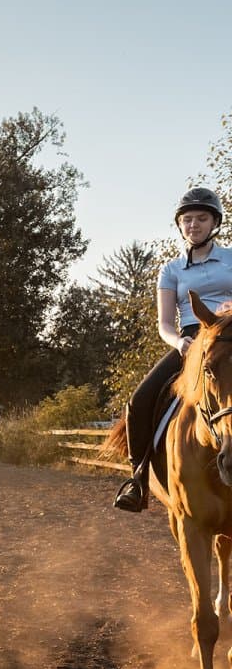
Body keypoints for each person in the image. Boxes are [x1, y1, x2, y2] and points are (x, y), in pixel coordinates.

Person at [114, 187, 230, 511]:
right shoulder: (171, 270)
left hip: (228, 339)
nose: (194, 225)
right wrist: (180, 342)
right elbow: (165, 323)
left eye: (201, 218)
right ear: (180, 225)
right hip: (190, 341)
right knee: (138, 402)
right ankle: (137, 480)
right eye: (187, 219)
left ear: (214, 223)